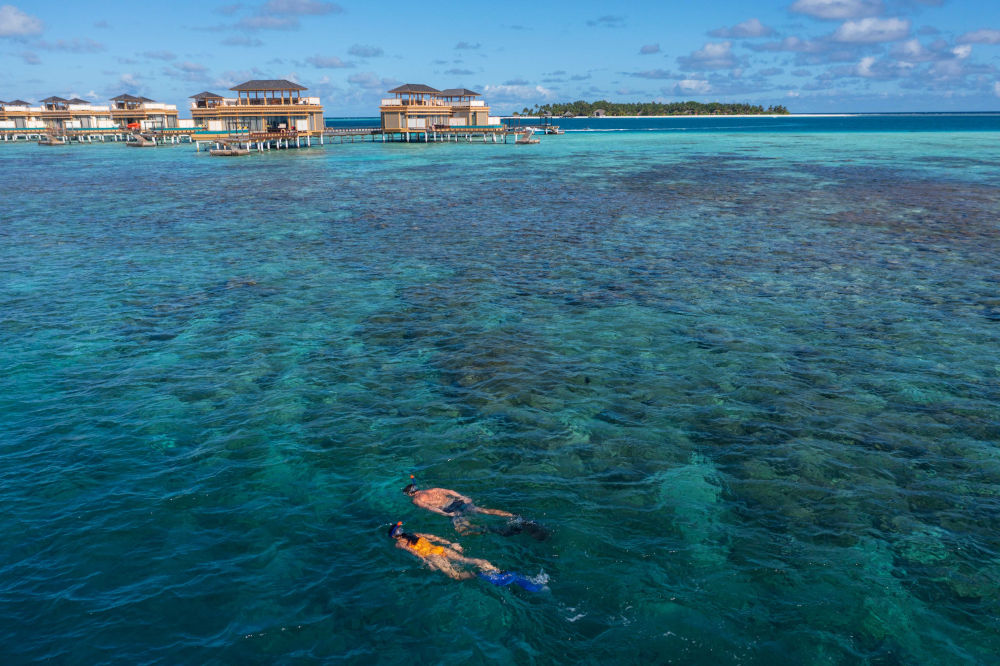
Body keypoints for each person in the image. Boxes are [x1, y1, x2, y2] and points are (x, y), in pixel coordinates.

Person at [388, 522, 547, 591]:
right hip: (440, 549)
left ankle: (479, 574)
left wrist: (426, 563)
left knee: (456, 575)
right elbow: (434, 537)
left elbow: (414, 552)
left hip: (432, 556)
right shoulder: (414, 534)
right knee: (467, 560)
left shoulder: (399, 544)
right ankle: (496, 570)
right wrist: (451, 543)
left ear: (394, 537)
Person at [403, 477, 550, 540]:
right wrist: (464, 498)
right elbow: (450, 491)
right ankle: (514, 516)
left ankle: (497, 530)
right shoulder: (433, 489)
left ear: (410, 494)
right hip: (459, 502)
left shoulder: (416, 500)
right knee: (483, 510)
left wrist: (446, 515)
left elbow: (431, 509)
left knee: (463, 531)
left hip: (449, 509)